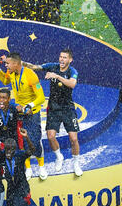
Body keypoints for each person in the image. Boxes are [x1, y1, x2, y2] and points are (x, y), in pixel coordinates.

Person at [23, 48, 83, 176]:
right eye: (61, 57)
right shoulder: (53, 66)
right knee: (50, 136)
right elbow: (35, 67)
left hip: (68, 109)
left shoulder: (72, 71)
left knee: (73, 138)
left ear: (70, 60)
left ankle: (76, 162)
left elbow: (72, 84)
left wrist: (56, 76)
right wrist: (19, 62)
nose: (61, 59)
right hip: (53, 108)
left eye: (65, 57)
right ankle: (59, 157)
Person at [0, 52, 47, 181]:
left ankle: (41, 165)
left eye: (7, 63)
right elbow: (5, 80)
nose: (6, 65)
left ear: (16, 63)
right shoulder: (11, 73)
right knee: (20, 140)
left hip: (32, 112)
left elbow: (41, 97)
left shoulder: (30, 75)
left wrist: (29, 106)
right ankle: (28, 167)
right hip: (19, 111)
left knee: (34, 139)